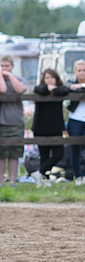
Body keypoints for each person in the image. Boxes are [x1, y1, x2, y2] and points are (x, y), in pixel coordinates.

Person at [32, 69, 70, 187]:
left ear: (57, 79)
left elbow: (65, 90)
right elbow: (38, 89)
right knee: (44, 154)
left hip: (55, 127)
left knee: (59, 153)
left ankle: (39, 172)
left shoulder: (60, 90)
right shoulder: (40, 89)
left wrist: (54, 89)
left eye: (52, 77)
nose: (50, 80)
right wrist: (48, 88)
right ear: (43, 79)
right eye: (47, 77)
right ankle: (44, 180)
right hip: (40, 126)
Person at [0, 55, 26, 187]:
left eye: (7, 66)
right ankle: (0, 182)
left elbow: (21, 89)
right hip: (1, 123)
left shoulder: (18, 79)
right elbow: (3, 90)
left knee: (14, 154)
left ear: (12, 67)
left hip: (16, 121)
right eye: (2, 66)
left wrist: (10, 76)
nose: (4, 68)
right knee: (1, 154)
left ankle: (12, 181)